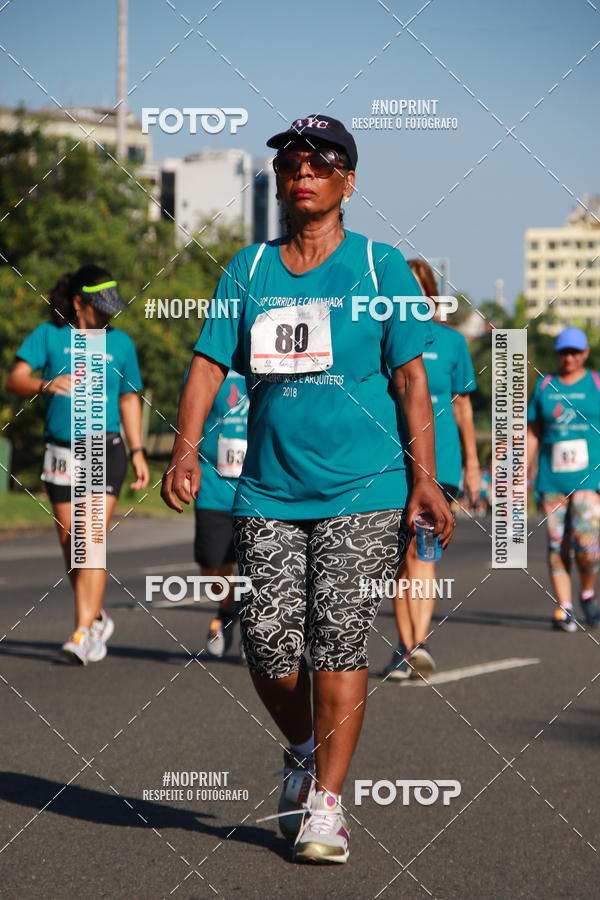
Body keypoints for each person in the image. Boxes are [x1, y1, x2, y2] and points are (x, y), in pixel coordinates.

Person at [161, 114, 453, 864]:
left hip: (366, 485)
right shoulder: (248, 270)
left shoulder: (381, 268)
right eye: (292, 160)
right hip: (267, 488)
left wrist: (425, 479)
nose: (304, 170)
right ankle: (300, 749)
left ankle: (327, 801)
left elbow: (413, 380)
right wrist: (184, 451)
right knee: (268, 645)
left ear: (347, 181)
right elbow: (205, 367)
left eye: (322, 161)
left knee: (338, 638)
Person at [6, 266, 149, 664]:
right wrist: (43, 385)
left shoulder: (120, 344)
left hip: (104, 447)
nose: (107, 317)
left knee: (89, 540)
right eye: (100, 309)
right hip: (60, 452)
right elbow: (14, 379)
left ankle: (83, 632)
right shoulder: (49, 337)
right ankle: (97, 616)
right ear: (78, 303)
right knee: (72, 547)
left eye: (111, 310)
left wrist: (138, 452)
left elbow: (128, 399)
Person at [384, 258, 480, 680]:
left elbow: (463, 408)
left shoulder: (452, 343)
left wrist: (474, 466)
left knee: (423, 554)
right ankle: (407, 644)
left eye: (419, 291)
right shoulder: (383, 340)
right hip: (391, 464)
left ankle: (417, 643)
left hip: (441, 469)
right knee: (398, 562)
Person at [527, 326, 600, 631]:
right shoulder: (545, 386)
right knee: (557, 544)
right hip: (551, 480)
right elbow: (532, 432)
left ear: (584, 354)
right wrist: (521, 471)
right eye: (563, 352)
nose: (568, 357)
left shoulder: (596, 383)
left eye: (574, 352)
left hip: (588, 479)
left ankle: (587, 592)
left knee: (586, 545)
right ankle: (564, 607)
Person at [192, 368, 248, 659]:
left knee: (259, 564)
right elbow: (190, 416)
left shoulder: (273, 362)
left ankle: (255, 627)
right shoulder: (210, 366)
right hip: (214, 484)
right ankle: (227, 608)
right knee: (211, 562)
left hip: (260, 487)